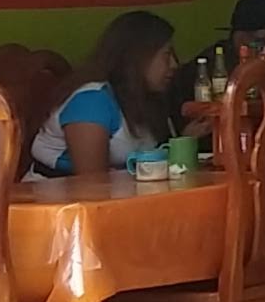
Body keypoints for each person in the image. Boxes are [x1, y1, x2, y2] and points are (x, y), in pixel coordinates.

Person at [33, 11, 180, 178]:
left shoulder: (144, 98)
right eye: (167, 55)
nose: (174, 64)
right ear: (138, 57)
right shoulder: (91, 101)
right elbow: (92, 184)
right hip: (56, 197)